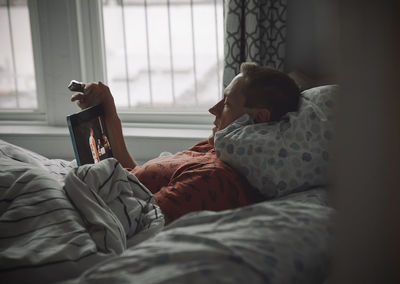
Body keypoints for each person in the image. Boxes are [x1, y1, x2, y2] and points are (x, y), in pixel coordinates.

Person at [71, 62, 301, 224]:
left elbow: (134, 223)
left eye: (228, 103)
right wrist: (107, 109)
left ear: (259, 118)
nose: (214, 109)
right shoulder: (214, 148)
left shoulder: (213, 178)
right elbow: (133, 178)